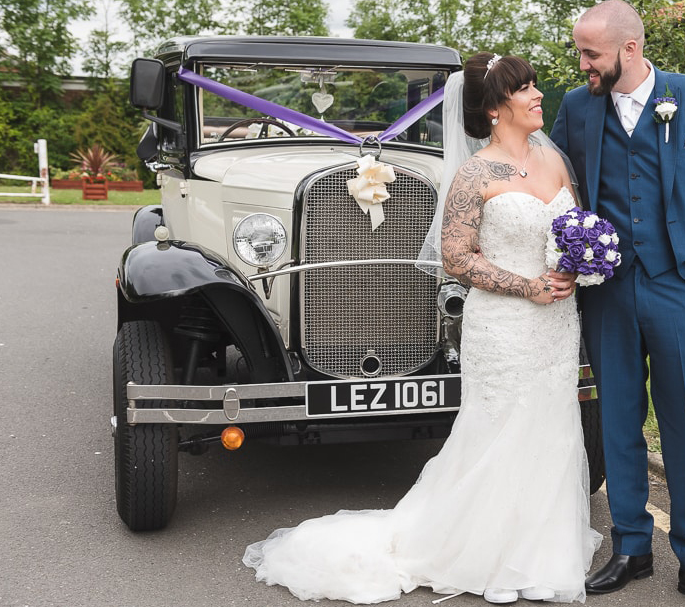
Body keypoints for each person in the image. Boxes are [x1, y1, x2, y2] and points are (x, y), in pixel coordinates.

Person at [242, 53, 602, 605]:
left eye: (533, 86)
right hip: (505, 325)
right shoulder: (474, 173)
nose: (537, 95)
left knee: (550, 428)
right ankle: (483, 551)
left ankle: (539, 549)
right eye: (524, 89)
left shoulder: (553, 163)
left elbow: (571, 232)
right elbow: (457, 260)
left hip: (555, 323)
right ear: (493, 108)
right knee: (499, 430)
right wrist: (527, 287)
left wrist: (573, 270)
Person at [550, 2, 685, 607]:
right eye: (579, 52)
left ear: (629, 49)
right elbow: (558, 190)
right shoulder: (576, 107)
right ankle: (632, 547)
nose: (581, 64)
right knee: (616, 419)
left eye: (591, 54)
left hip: (682, 287)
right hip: (608, 292)